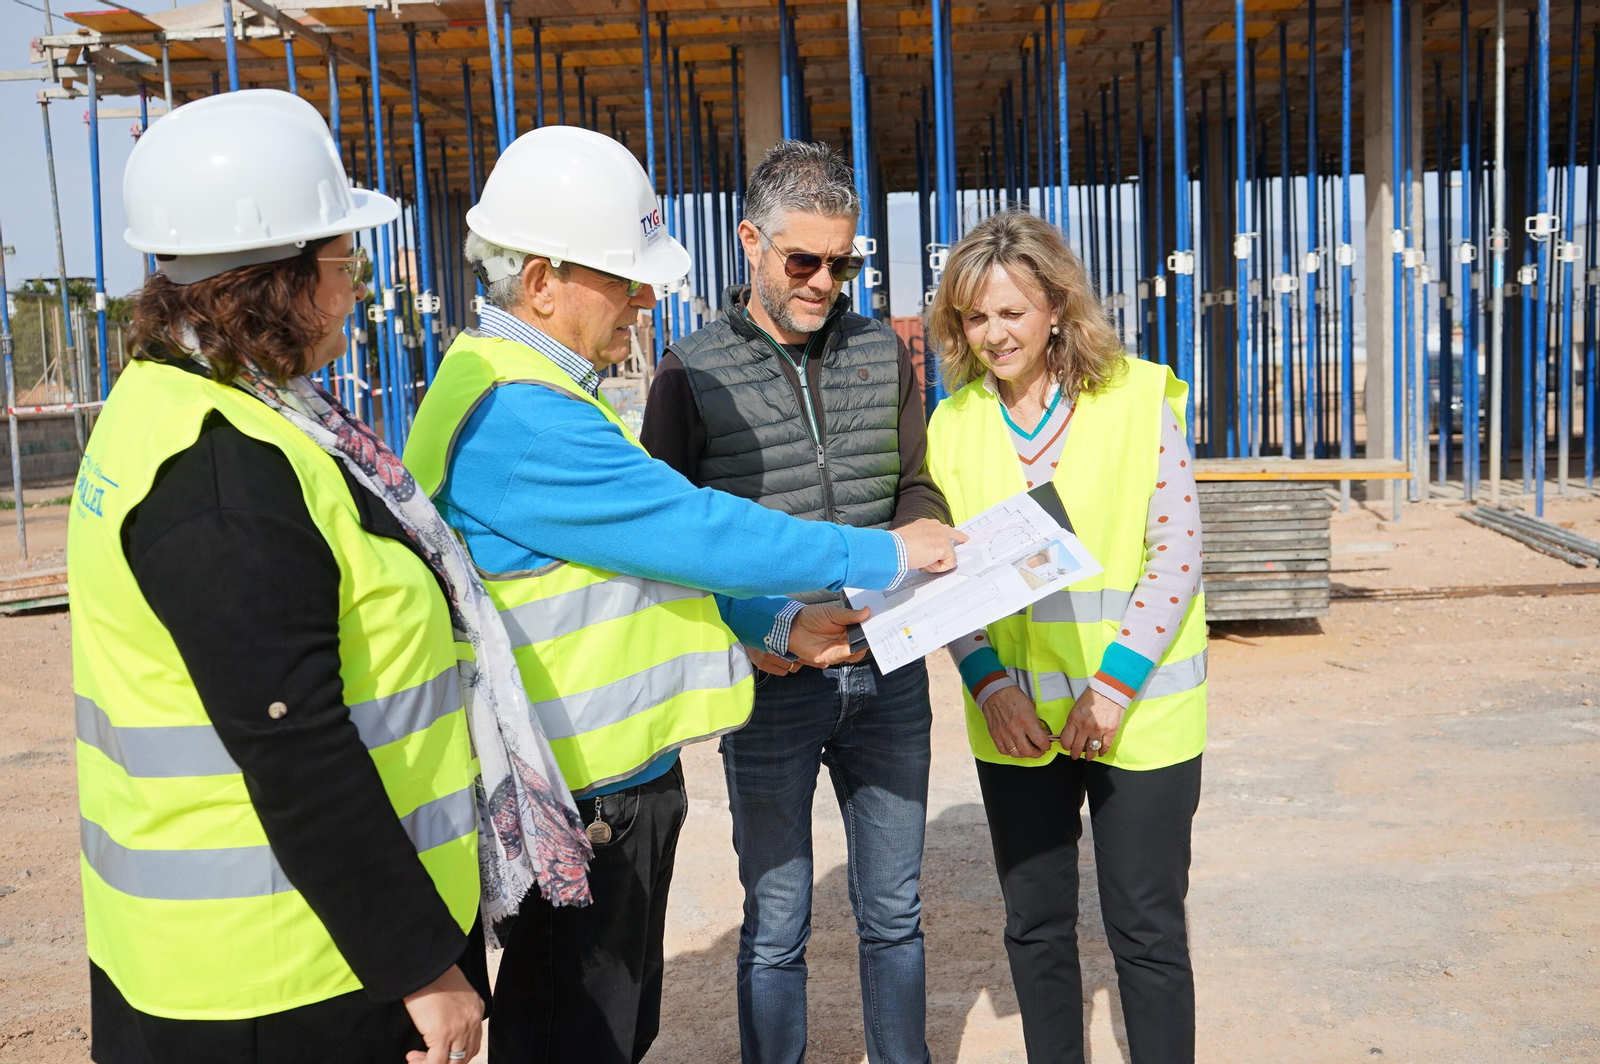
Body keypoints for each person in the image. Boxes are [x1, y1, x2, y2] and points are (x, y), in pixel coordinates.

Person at [401, 125, 963, 1064]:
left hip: (597, 781)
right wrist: (875, 553)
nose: (644, 298)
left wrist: (778, 616)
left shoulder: (515, 384)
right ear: (540, 281)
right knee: (580, 1033)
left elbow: (651, 562)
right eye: (624, 279)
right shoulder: (522, 416)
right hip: (579, 791)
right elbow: (698, 530)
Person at [70, 90, 593, 1064]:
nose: (355, 287)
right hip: (290, 976)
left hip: (249, 955)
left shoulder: (192, 403)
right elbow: (292, 741)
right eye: (343, 261)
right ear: (280, 277)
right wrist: (418, 966)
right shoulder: (224, 470)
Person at [641, 140, 950, 1064]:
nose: (824, 282)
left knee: (895, 912)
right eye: (803, 260)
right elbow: (667, 540)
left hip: (889, 674)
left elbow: (916, 485)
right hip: (772, 680)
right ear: (751, 242)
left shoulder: (881, 351)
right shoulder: (686, 372)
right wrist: (752, 629)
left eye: (842, 262)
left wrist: (923, 542)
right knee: (776, 921)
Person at [923, 210, 1207, 1064]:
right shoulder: (954, 425)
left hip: (1141, 712)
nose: (994, 333)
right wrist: (988, 685)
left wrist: (1113, 689)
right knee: (1037, 928)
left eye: (1011, 312)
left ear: (1055, 305)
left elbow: (1176, 552)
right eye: (975, 317)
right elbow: (944, 584)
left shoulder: (1136, 398)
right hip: (1020, 723)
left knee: (1146, 929)